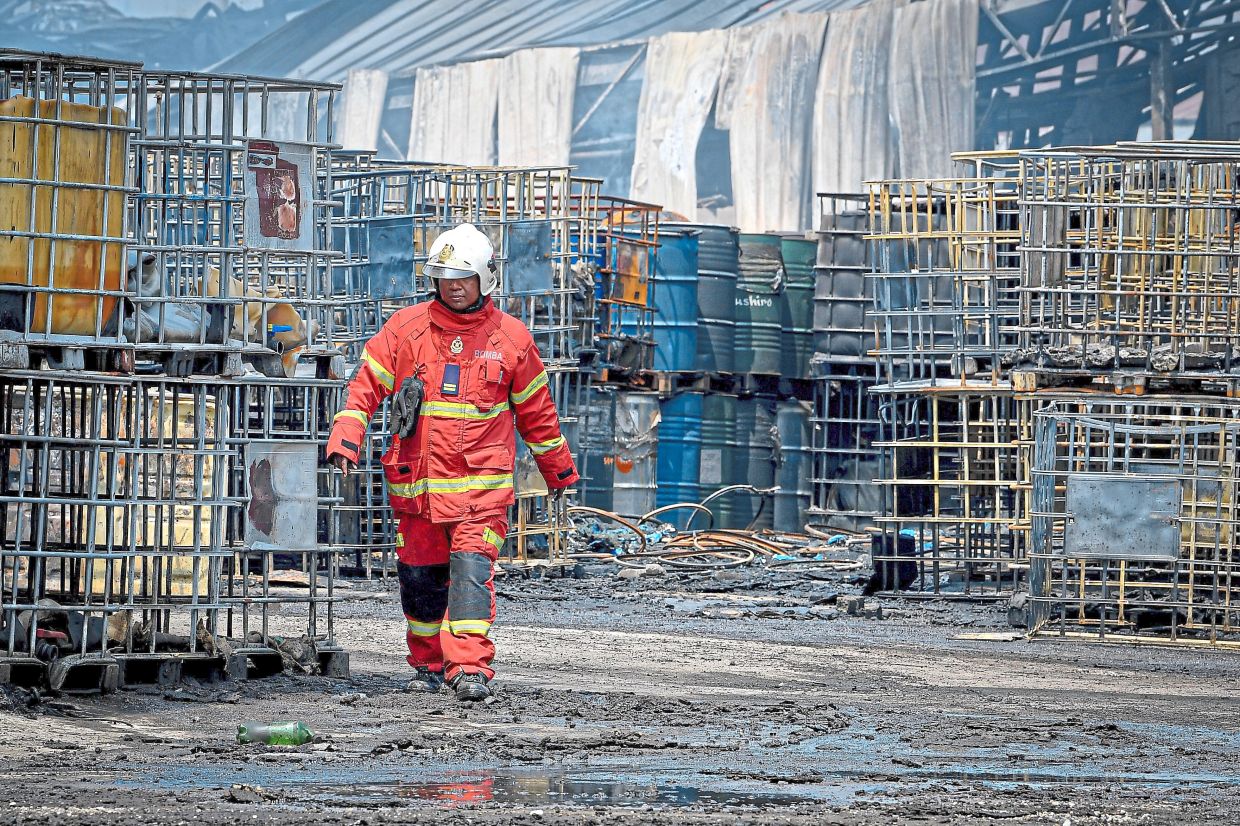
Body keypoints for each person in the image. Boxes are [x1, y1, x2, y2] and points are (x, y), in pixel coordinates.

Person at [325, 223, 578, 702]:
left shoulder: (512, 341)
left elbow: (538, 416)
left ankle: (468, 668)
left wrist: (557, 471)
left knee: (468, 577)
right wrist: (346, 438)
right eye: (444, 277)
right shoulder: (405, 330)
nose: (453, 287)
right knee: (419, 581)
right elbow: (363, 388)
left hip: (478, 496)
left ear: (485, 279)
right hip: (416, 490)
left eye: (462, 277)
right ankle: (427, 663)